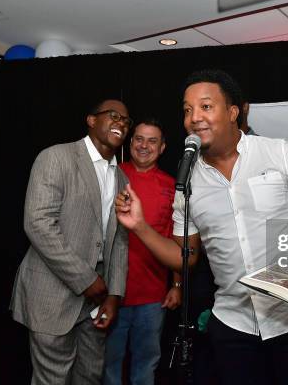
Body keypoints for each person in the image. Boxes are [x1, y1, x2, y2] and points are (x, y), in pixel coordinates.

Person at [115, 69, 288, 385]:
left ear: (233, 113)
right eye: (187, 110)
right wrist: (139, 226)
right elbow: (185, 255)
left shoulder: (279, 153)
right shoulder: (188, 182)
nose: (194, 117)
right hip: (235, 328)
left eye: (206, 106)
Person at [10, 100, 131, 385]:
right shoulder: (56, 157)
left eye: (126, 120)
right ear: (91, 119)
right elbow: (38, 224)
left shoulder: (122, 177)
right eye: (113, 116)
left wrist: (113, 296)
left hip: (97, 300)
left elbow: (121, 239)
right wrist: (85, 279)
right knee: (52, 380)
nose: (121, 123)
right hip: (52, 294)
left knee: (90, 377)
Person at [103, 119, 181, 385]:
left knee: (145, 367)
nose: (144, 146)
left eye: (152, 141)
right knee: (108, 367)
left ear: (162, 148)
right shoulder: (112, 176)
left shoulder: (172, 187)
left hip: (152, 298)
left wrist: (177, 285)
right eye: (139, 139)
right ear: (130, 142)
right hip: (110, 294)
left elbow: (176, 240)